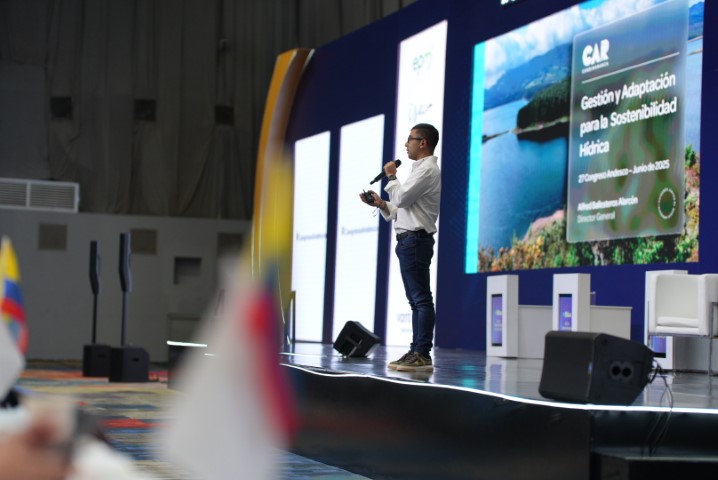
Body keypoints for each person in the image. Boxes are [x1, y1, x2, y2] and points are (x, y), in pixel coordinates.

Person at [359, 123, 441, 372]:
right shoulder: (420, 170)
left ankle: (422, 353)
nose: (406, 144)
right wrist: (381, 204)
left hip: (415, 241)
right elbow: (402, 209)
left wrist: (392, 176)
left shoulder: (427, 170)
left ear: (423, 143)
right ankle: (416, 350)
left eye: (410, 139)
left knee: (421, 300)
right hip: (410, 241)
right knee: (416, 301)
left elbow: (402, 198)